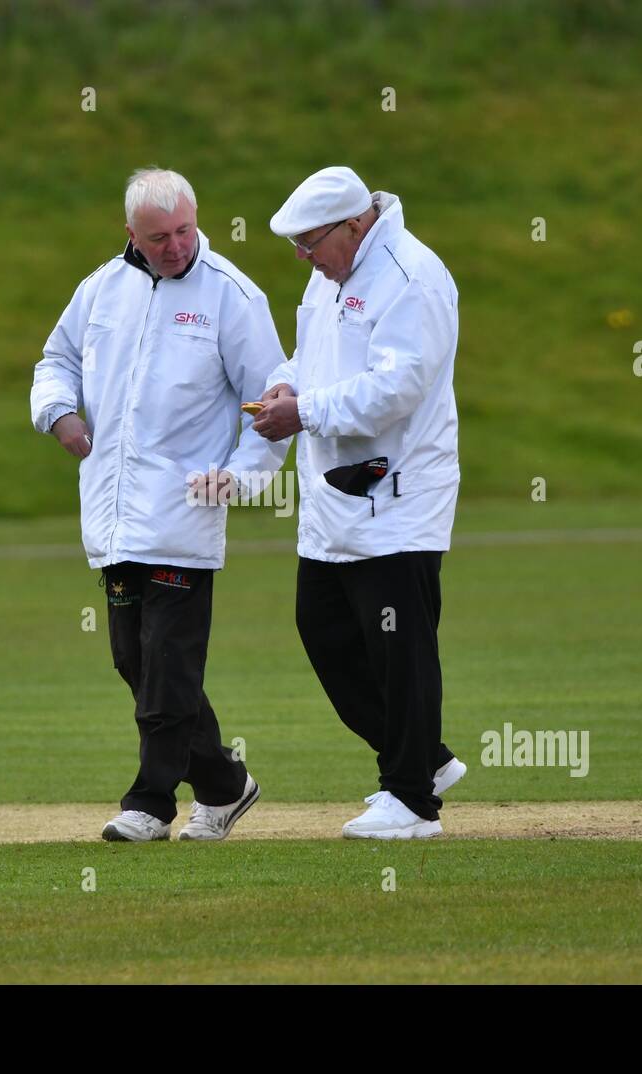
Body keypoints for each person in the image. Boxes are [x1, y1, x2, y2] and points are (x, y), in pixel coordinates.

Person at [31, 168, 289, 842]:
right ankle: (226, 785)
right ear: (131, 237)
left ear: (197, 217)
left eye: (184, 230)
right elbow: (55, 359)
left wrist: (238, 477)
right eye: (158, 237)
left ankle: (150, 802)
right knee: (135, 662)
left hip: (185, 512)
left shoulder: (233, 296)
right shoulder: (100, 291)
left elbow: (271, 400)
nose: (176, 246)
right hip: (114, 517)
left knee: (170, 667)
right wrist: (59, 414)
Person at [253, 165, 466, 840]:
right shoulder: (328, 277)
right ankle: (422, 759)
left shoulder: (411, 277)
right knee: (325, 633)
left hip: (400, 495)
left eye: (310, 241)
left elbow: (396, 389)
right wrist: (282, 387)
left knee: (401, 648)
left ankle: (412, 802)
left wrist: (304, 412)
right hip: (334, 498)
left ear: (355, 224)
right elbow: (311, 358)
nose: (302, 257)